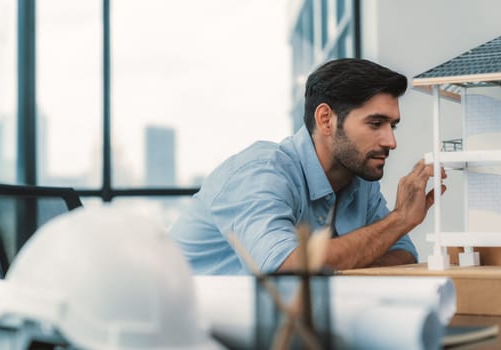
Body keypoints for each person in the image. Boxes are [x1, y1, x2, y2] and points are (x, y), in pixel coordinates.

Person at [169, 58, 446, 275]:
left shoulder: (359, 181)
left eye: (392, 126)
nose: (391, 141)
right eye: (375, 124)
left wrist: (335, 261)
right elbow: (288, 269)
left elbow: (404, 254)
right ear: (326, 119)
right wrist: (399, 219)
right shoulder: (260, 172)